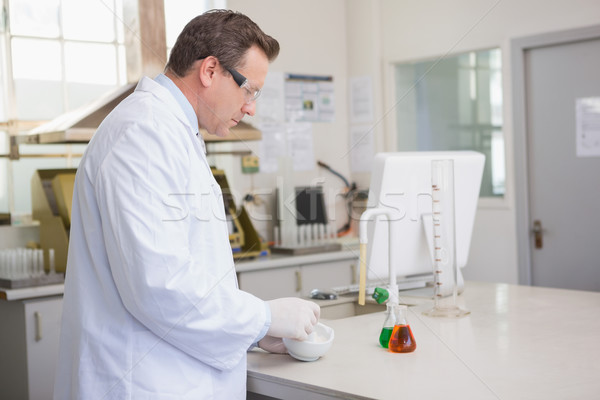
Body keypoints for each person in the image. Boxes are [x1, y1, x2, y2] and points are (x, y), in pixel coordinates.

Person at [54, 10, 320, 399]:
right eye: (250, 90)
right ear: (211, 70)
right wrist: (263, 319)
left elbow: (191, 273)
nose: (251, 108)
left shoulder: (172, 132)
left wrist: (251, 335)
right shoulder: (142, 135)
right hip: (142, 381)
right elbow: (160, 285)